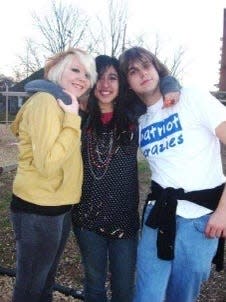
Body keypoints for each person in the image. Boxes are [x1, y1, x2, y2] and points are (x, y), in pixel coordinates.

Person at [119, 46, 226, 302]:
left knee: (182, 296)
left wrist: (223, 211)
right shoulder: (139, 121)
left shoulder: (192, 98)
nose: (142, 73)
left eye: (146, 65)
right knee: (147, 295)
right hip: (158, 215)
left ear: (157, 68)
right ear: (129, 83)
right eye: (133, 71)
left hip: (201, 219)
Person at [71, 54, 181, 302]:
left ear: (121, 83)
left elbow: (157, 84)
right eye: (99, 78)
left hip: (125, 220)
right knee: (94, 286)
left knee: (124, 288)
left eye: (112, 78)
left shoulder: (134, 114)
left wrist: (171, 85)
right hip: (86, 218)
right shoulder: (80, 114)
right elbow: (53, 85)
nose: (105, 85)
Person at [10, 48, 97, 302]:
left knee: (44, 280)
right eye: (75, 69)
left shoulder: (63, 104)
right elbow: (48, 164)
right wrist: (72, 122)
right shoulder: (46, 103)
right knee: (31, 286)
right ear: (58, 71)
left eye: (87, 73)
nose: (83, 77)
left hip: (57, 206)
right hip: (38, 208)